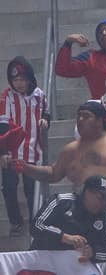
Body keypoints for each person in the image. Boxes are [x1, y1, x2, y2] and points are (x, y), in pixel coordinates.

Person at [18, 101, 106, 243]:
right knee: (94, 259)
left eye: (86, 116)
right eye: (78, 116)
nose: (80, 120)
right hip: (89, 217)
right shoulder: (71, 150)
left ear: (100, 120)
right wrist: (26, 167)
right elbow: (53, 173)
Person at [1, 57, 49, 235]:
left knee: (31, 189)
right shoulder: (7, 96)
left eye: (22, 79)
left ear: (30, 78)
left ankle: (36, 223)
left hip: (32, 150)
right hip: (11, 150)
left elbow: (46, 112)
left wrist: (46, 121)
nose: (19, 84)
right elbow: (3, 125)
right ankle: (16, 221)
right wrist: (2, 152)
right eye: (15, 80)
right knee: (9, 187)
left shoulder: (39, 95)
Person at [29, 175, 106, 265]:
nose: (103, 203)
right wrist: (64, 237)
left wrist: (93, 252)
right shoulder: (61, 201)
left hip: (74, 266)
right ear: (87, 192)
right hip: (42, 261)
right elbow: (36, 226)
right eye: (100, 198)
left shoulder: (105, 215)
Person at [54, 21, 106, 100]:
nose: (103, 33)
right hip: (102, 108)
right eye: (100, 32)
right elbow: (62, 69)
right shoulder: (91, 58)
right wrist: (68, 42)